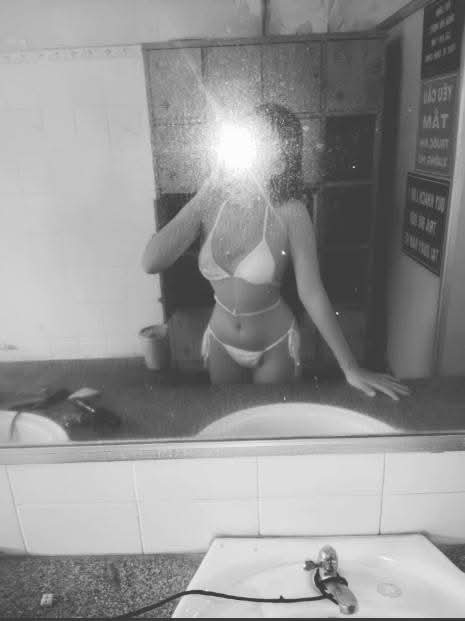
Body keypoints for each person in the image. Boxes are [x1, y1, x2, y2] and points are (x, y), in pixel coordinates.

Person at [142, 103, 410, 400]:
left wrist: (350, 368)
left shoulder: (290, 212)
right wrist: (206, 190)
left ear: (279, 164)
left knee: (271, 419)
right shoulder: (209, 204)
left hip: (275, 344)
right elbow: (151, 262)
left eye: (259, 140)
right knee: (230, 416)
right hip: (220, 341)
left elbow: (312, 292)